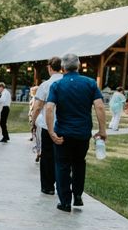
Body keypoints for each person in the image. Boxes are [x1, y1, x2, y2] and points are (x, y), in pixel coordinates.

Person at [45, 53, 107, 212]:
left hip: (63, 133)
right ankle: (78, 195)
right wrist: (102, 130)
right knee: (79, 162)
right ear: (78, 65)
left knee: (62, 165)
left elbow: (50, 108)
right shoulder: (90, 83)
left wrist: (51, 131)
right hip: (82, 133)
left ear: (63, 67)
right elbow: (99, 107)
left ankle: (65, 202)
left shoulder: (57, 85)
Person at [31, 57, 63, 195]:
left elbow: (37, 107)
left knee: (47, 156)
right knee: (62, 157)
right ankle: (61, 184)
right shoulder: (66, 82)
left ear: (50, 67)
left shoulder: (45, 85)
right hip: (63, 125)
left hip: (46, 125)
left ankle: (48, 186)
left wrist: (33, 121)